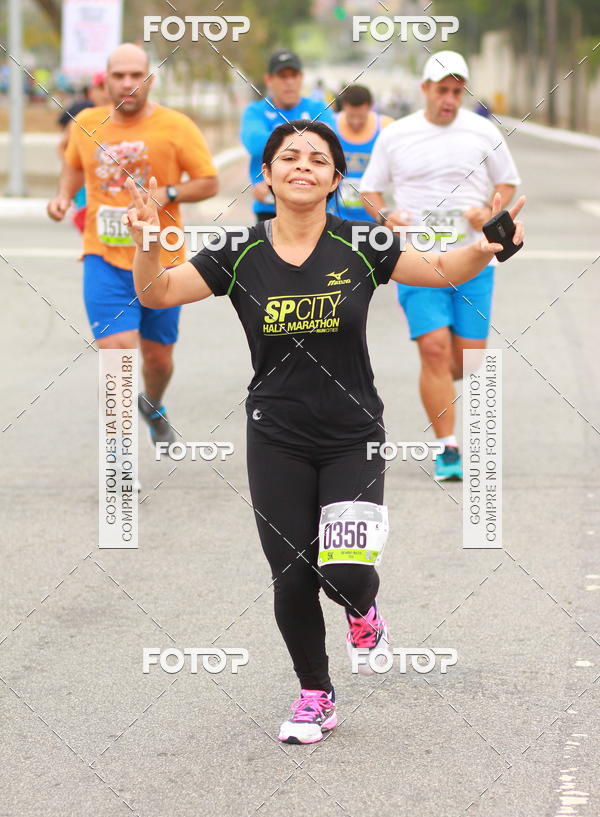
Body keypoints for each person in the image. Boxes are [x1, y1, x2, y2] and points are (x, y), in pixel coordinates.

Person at [123, 121, 525, 744]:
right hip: (275, 433)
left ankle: (364, 609)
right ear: (267, 175)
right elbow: (158, 290)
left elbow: (444, 268)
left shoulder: (362, 240)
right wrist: (148, 240)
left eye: (318, 159)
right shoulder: (239, 249)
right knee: (291, 573)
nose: (303, 166)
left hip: (351, 433)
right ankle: (315, 692)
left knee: (345, 574)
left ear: (336, 179)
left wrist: (488, 246)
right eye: (289, 157)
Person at [47, 43, 218, 449]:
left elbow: (208, 181)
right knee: (118, 354)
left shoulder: (176, 126)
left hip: (162, 261)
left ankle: (153, 404)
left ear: (149, 80)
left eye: (135, 75)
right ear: (105, 80)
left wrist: (168, 193)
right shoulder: (86, 123)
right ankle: (120, 459)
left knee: (158, 360)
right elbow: (73, 165)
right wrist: (63, 196)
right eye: (119, 75)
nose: (127, 83)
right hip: (104, 257)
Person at [360, 51, 521, 481]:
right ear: (425, 89)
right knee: (433, 349)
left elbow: (507, 181)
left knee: (466, 363)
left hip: (473, 258)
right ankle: (447, 447)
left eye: (456, 91)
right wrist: (386, 217)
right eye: (441, 90)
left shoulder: (483, 130)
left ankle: (442, 382)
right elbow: (370, 191)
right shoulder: (397, 134)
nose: (449, 98)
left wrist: (488, 210)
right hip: (418, 259)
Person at [240, 49, 336, 221]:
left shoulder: (318, 108)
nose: (289, 82)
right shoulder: (256, 110)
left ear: (301, 78)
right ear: (269, 80)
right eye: (282, 76)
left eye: (294, 75)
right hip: (269, 204)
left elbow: (330, 146)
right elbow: (255, 145)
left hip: (313, 203)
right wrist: (309, 134)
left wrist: (276, 139)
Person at [56, 73, 110, 233]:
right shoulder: (82, 119)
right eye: (101, 87)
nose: (106, 92)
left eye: (109, 86)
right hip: (86, 184)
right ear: (91, 92)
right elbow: (62, 147)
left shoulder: (126, 120)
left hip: (113, 183)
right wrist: (76, 167)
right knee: (88, 223)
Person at [334, 85, 393, 221]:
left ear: (370, 106)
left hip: (374, 214)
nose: (355, 122)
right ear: (344, 106)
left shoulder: (386, 127)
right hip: (336, 214)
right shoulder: (330, 124)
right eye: (351, 116)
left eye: (361, 117)